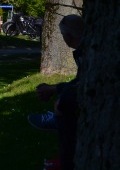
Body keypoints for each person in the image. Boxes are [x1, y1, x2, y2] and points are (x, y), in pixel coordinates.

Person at [27, 14, 84, 170]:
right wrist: (54, 88)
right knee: (65, 99)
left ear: (68, 36)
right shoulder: (84, 50)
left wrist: (61, 96)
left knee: (66, 110)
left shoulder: (85, 52)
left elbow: (84, 84)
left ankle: (66, 162)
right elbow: (80, 81)